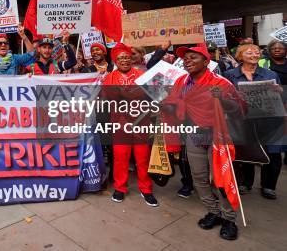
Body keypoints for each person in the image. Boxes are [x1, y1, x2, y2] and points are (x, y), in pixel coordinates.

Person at [162, 45, 244, 241]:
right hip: (194, 136)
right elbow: (174, 106)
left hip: (217, 136)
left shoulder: (221, 82)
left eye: (193, 57)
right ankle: (213, 211)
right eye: (185, 58)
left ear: (206, 62)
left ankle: (229, 219)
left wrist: (223, 99)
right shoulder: (181, 81)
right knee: (199, 178)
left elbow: (239, 111)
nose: (187, 61)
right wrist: (165, 104)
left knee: (221, 179)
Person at [224, 43, 283, 199]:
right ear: (240, 55)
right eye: (250, 52)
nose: (255, 55)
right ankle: (245, 182)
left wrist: (279, 92)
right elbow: (218, 93)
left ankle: (269, 186)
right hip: (242, 120)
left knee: (273, 153)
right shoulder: (230, 74)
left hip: (267, 120)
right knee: (247, 151)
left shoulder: (270, 74)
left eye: (257, 52)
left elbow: (279, 97)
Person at [102, 43, 158, 207]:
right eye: (120, 58)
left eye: (127, 57)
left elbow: (155, 96)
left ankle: (146, 189)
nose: (124, 60)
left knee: (142, 158)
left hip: (141, 123)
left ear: (131, 59)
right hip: (120, 125)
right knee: (120, 157)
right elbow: (107, 99)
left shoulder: (142, 75)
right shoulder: (109, 78)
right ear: (116, 61)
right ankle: (120, 187)